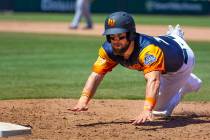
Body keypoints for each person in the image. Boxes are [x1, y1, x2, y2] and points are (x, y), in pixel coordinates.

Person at [70, 11, 202, 125]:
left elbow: (154, 81)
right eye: (112, 37)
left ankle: (188, 83)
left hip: (182, 62)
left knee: (159, 111)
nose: (116, 41)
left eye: (121, 36)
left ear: (131, 35)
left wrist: (147, 110)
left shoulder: (148, 51)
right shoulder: (108, 49)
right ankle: (184, 75)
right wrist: (83, 100)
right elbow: (96, 75)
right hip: (167, 47)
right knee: (157, 71)